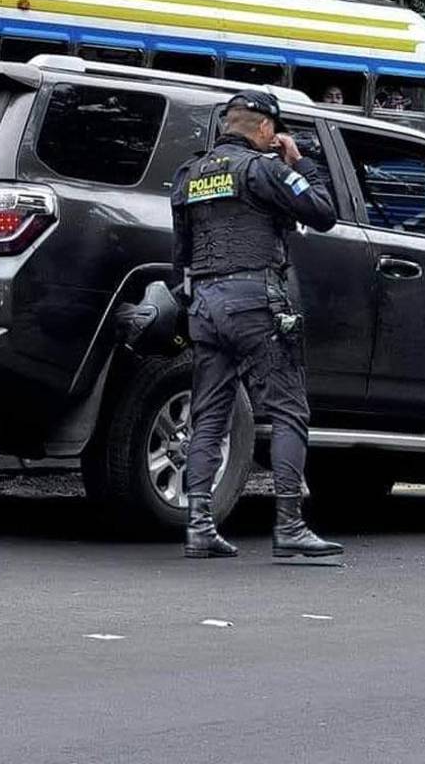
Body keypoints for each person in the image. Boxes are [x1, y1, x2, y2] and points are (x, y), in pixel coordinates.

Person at [171, 91, 341, 559]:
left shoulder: (189, 176)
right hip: (256, 303)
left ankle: (199, 526)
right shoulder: (264, 170)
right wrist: (299, 161)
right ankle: (290, 525)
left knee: (210, 415)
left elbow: (179, 257)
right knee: (289, 409)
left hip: (205, 305)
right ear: (265, 129)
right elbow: (324, 213)